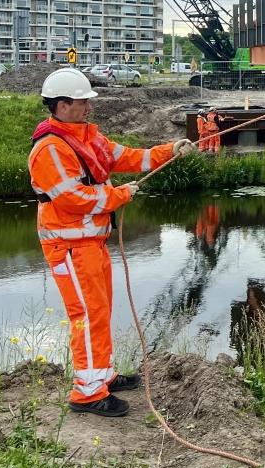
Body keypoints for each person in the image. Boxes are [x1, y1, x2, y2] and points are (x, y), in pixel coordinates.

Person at [28, 68, 195, 417]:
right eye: (83, 102)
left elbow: (126, 157)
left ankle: (101, 375)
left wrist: (169, 151)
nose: (89, 107)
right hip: (69, 247)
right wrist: (118, 195)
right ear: (62, 105)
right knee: (86, 314)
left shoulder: (86, 138)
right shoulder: (49, 149)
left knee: (99, 311)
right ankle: (87, 394)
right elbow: (71, 198)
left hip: (90, 245)